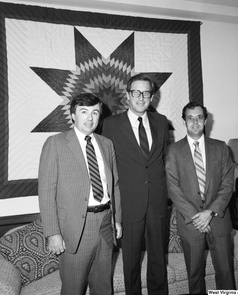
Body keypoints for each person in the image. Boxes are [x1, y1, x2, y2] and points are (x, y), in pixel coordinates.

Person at [38, 93, 122, 295]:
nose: (90, 118)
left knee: (103, 287)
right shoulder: (55, 143)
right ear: (73, 115)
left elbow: (115, 185)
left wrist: (117, 219)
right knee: (73, 288)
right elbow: (46, 192)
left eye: (95, 112)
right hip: (75, 229)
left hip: (105, 223)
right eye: (84, 112)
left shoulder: (106, 144)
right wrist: (53, 233)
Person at [102, 73, 170, 295]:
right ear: (128, 95)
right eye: (136, 92)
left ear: (152, 97)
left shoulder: (161, 122)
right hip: (129, 203)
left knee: (159, 259)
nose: (141, 97)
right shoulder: (111, 125)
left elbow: (162, 161)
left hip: (158, 202)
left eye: (146, 93)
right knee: (130, 263)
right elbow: (108, 168)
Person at [165, 101, 235, 294]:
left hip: (218, 220)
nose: (195, 122)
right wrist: (198, 216)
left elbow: (228, 184)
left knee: (226, 272)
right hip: (191, 222)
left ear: (205, 121)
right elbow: (173, 188)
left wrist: (209, 212)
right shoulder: (174, 150)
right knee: (194, 275)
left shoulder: (221, 148)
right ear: (184, 121)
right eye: (190, 118)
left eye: (199, 118)